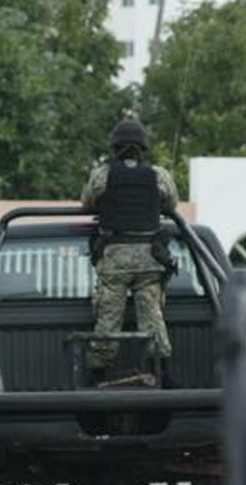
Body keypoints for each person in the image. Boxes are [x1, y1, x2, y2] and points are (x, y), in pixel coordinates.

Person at [81, 118, 179, 385]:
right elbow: (172, 202)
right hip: (150, 261)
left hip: (115, 263)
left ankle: (94, 377)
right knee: (153, 318)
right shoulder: (159, 176)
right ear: (143, 148)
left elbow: (87, 202)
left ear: (115, 148)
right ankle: (166, 376)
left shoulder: (102, 175)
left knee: (108, 321)